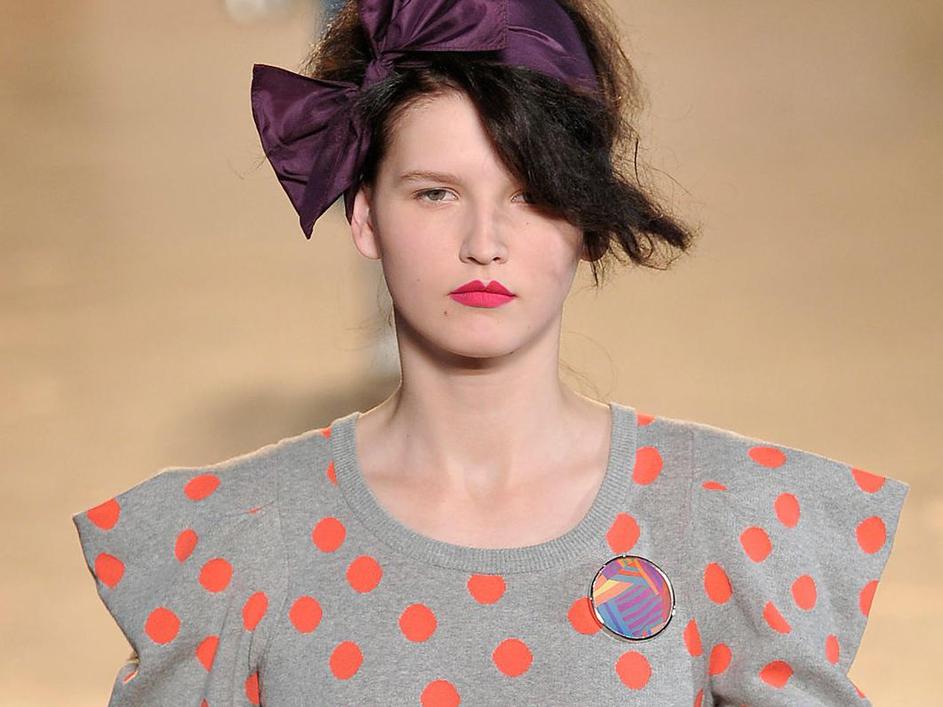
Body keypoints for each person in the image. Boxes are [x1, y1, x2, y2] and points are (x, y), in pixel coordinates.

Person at [72, 1, 909, 704]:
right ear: (363, 217)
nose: (484, 242)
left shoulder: (728, 521)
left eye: (531, 195)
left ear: (584, 219)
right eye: (436, 193)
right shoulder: (243, 542)